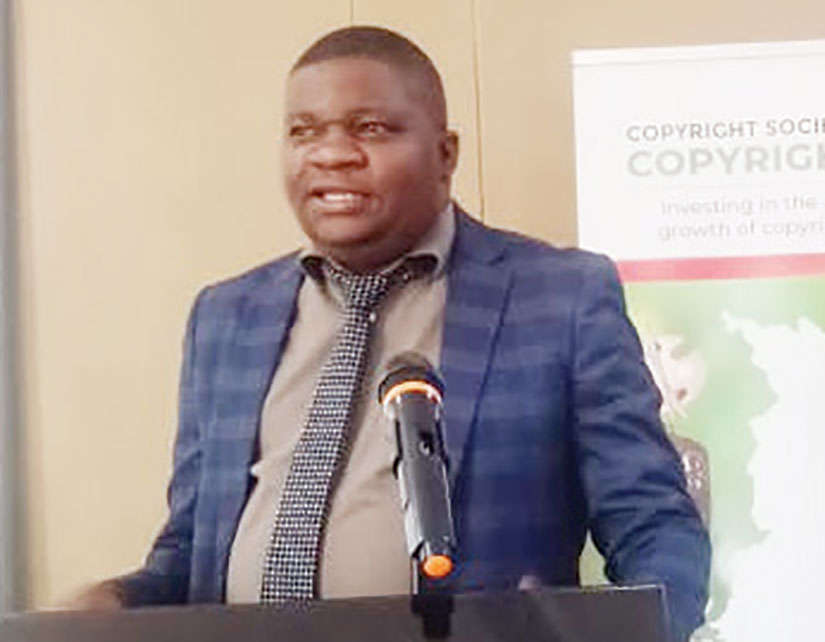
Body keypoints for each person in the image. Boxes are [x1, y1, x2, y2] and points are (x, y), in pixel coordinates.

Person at [72, 26, 710, 641]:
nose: (331, 154)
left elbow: (653, 524)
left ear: (445, 154)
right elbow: (190, 548)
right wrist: (116, 603)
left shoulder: (558, 298)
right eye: (303, 131)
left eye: (370, 128)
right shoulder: (225, 318)